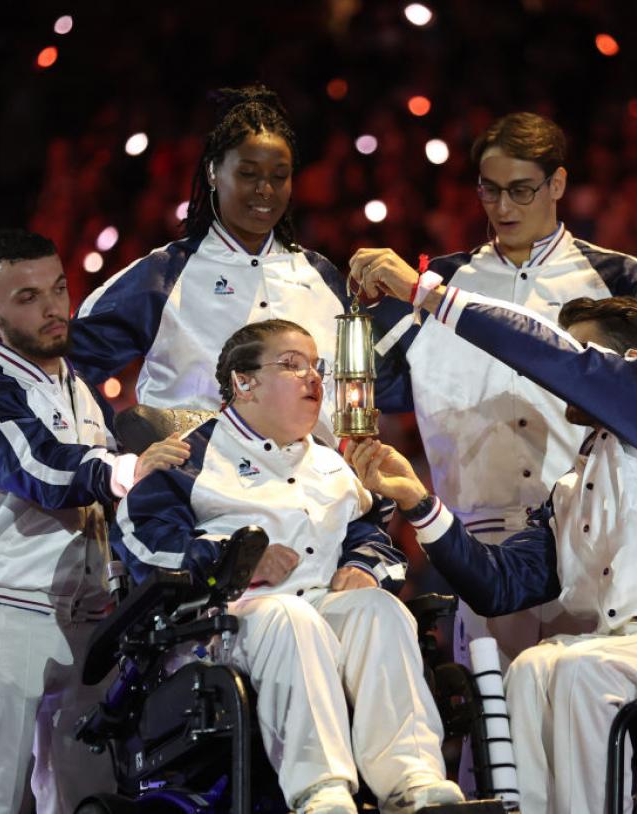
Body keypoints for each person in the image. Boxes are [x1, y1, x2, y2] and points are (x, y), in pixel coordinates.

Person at [343, 273, 637, 814]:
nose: (560, 371)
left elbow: (558, 360)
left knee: (576, 672)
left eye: (578, 349)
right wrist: (417, 501)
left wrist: (429, 294)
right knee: (530, 670)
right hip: (631, 644)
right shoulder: (571, 489)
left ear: (630, 364)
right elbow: (497, 585)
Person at [349, 112, 637, 666]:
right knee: (491, 714)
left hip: (591, 536)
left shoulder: (622, 280)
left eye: (521, 190)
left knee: (586, 703)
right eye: (489, 190)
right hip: (475, 544)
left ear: (558, 183)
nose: (503, 207)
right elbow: (362, 385)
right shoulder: (431, 284)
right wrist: (366, 308)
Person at [112, 319, 463, 814]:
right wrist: (236, 557)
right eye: (293, 365)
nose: (314, 378)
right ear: (244, 382)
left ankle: (411, 780)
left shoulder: (332, 463)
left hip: (319, 610)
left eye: (317, 367)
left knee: (377, 610)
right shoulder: (190, 455)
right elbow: (142, 540)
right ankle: (321, 790)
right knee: (290, 618)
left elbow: (369, 536)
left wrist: (364, 566)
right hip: (222, 624)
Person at [0, 229, 190, 813]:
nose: (53, 308)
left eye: (58, 288)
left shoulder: (76, 387)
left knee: (85, 797)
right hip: (4, 611)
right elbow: (41, 469)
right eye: (27, 298)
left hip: (86, 620)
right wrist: (127, 469)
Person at [0, 85, 351, 444]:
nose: (265, 189)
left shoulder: (321, 277)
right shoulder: (164, 276)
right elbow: (66, 357)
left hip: (314, 495)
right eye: (248, 173)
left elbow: (368, 382)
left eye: (279, 176)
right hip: (197, 495)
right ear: (213, 172)